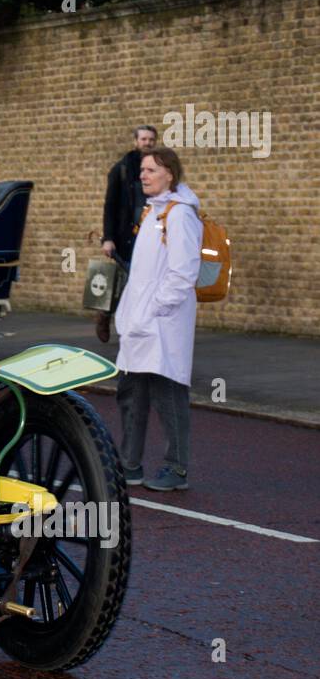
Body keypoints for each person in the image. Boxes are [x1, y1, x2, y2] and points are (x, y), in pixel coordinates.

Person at [114, 147, 202, 492]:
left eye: (150, 170)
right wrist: (133, 314)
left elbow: (183, 272)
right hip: (141, 322)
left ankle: (176, 468)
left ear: (169, 173)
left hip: (162, 323)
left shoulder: (180, 215)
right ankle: (129, 464)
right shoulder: (152, 211)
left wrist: (156, 310)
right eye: (142, 170)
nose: (143, 175)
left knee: (169, 395)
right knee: (131, 393)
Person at [96, 124, 157, 343]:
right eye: (144, 139)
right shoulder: (121, 169)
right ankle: (106, 313)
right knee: (125, 282)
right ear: (136, 141)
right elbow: (109, 205)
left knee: (142, 283)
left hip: (151, 235)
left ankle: (136, 331)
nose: (147, 143)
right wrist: (108, 238)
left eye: (151, 139)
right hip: (126, 237)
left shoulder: (159, 168)